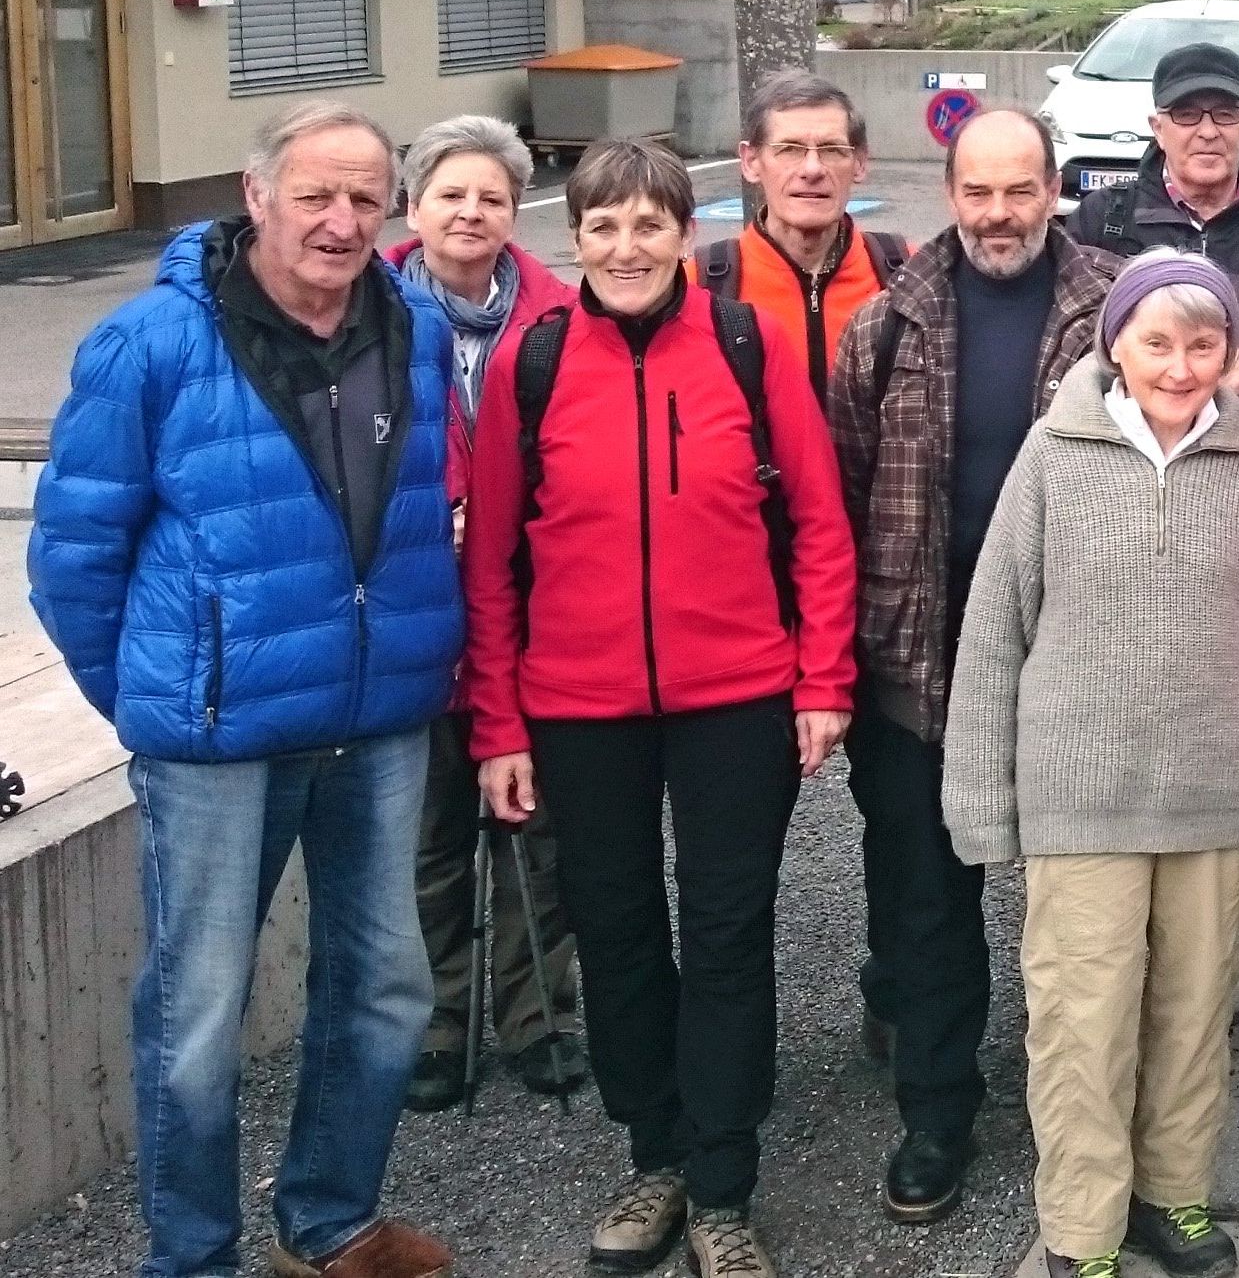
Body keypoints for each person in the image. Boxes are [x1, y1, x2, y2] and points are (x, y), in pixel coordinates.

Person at [34, 101, 464, 1278]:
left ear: (391, 209)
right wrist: (151, 698)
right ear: (255, 191)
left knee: (383, 988)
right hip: (218, 739)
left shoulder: (412, 327)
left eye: (364, 198)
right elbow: (73, 556)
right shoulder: (151, 343)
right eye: (315, 194)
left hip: (375, 721)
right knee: (198, 1019)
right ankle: (193, 1257)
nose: (339, 221)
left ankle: (327, 1224)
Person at [463, 137, 858, 1278]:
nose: (626, 248)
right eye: (603, 227)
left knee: (728, 933)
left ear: (688, 235)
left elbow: (822, 526)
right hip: (580, 708)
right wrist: (497, 725)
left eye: (649, 225)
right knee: (621, 931)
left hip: (736, 695)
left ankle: (723, 1180)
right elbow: (490, 565)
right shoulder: (533, 365)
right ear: (573, 239)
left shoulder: (746, 344)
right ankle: (657, 1155)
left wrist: (823, 679)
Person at [942, 251, 1239, 1278]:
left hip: (1214, 796)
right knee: (1084, 1023)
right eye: (1157, 341)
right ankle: (1082, 1227)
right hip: (1085, 803)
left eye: (1203, 342)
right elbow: (994, 631)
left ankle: (1173, 1195)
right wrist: (982, 794)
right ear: (1115, 343)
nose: (1179, 363)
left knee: (1194, 1014)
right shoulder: (1054, 455)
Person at [826, 107, 1118, 1224]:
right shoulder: (886, 323)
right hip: (921, 665)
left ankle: (1079, 1113)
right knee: (927, 903)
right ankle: (935, 1110)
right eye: (978, 191)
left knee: (1081, 909)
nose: (1000, 213)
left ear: (1055, 187)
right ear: (949, 193)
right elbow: (846, 495)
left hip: (1074, 668)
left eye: (1020, 189)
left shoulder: (1117, 309)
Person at [388, 114, 584, 1115]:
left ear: (517, 212)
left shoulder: (561, 318)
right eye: (450, 193)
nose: (470, 212)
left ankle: (540, 1013)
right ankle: (435, 1024)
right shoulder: (366, 318)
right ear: (413, 204)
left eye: (492, 197)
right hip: (411, 625)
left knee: (533, 831)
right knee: (425, 843)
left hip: (532, 616)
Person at [1073, 40, 1239, 362]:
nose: (1208, 131)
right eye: (1187, 115)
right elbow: (1074, 344)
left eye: (1225, 114)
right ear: (1158, 129)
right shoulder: (1102, 220)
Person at [696, 70, 907, 401]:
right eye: (790, 149)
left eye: (832, 149)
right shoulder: (699, 283)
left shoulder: (909, 274)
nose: (812, 169)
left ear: (860, 163)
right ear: (751, 162)